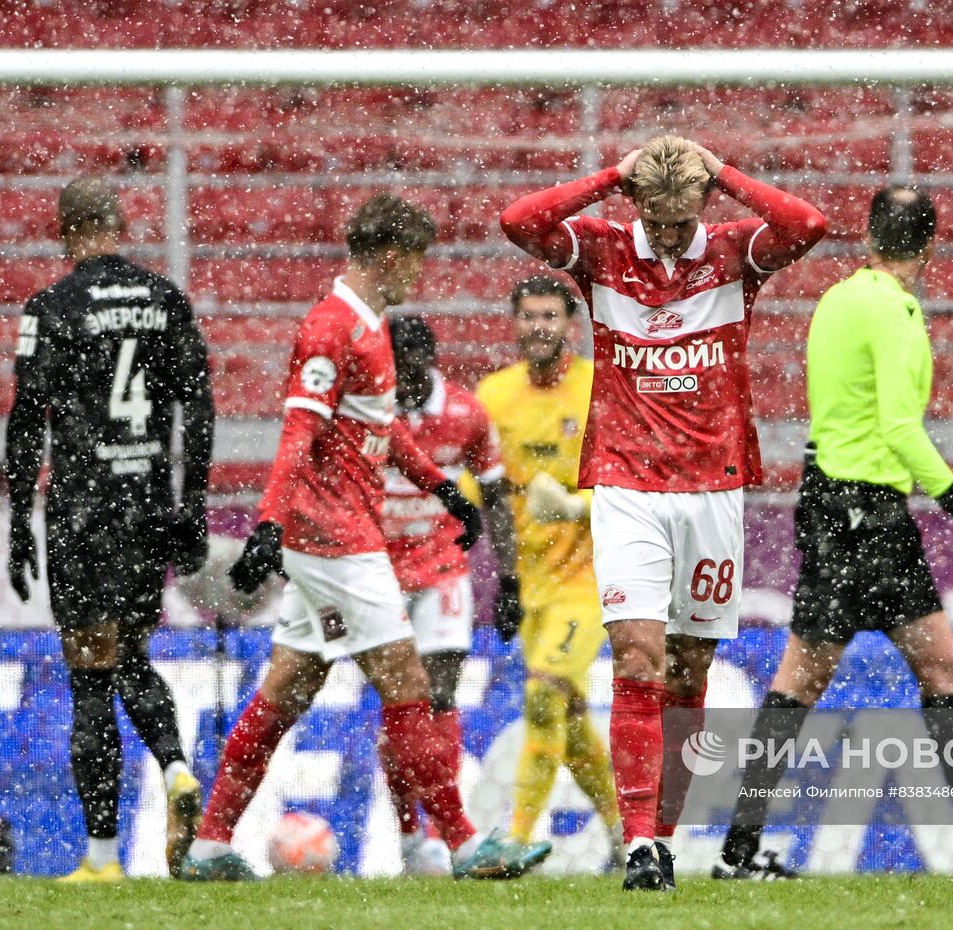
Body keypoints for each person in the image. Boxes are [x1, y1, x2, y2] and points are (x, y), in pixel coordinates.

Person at [177, 194, 550, 881]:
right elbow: (300, 432)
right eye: (415, 261)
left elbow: (381, 425)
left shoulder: (369, 324)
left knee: (287, 687)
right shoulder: (330, 328)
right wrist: (268, 520)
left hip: (335, 536)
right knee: (409, 683)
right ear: (390, 255)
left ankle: (208, 844)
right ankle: (466, 844)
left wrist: (440, 487)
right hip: (337, 540)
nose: (418, 275)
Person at [714, 186, 953, 880]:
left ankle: (742, 851)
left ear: (870, 238)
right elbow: (897, 428)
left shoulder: (838, 299)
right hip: (864, 513)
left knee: (851, 675)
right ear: (932, 246)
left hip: (833, 503)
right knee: (905, 673)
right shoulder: (896, 310)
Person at [502, 134, 827, 890]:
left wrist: (727, 174)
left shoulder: (734, 251)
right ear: (637, 204)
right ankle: (641, 844)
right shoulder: (604, 248)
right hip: (627, 486)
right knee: (640, 658)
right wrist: (613, 176)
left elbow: (808, 225)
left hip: (714, 488)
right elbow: (519, 221)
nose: (672, 234)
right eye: (659, 218)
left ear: (703, 206)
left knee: (690, 670)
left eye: (684, 220)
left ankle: (667, 837)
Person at [5, 176, 214, 882]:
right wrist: (191, 505)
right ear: (120, 225)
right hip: (147, 506)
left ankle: (100, 860)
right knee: (131, 657)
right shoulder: (165, 299)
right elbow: (201, 407)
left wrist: (16, 523)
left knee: (91, 681)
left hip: (83, 512)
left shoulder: (52, 307)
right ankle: (179, 766)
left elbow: (25, 418)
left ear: (65, 231)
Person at [475, 276, 623, 867]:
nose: (539, 327)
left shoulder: (599, 391)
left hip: (588, 582)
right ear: (515, 324)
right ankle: (622, 834)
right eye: (529, 316)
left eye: (550, 317)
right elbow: (481, 494)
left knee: (543, 699)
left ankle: (517, 838)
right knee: (571, 722)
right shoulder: (494, 398)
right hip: (531, 586)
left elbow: (632, 488)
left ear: (570, 326)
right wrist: (504, 580)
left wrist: (574, 506)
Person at [377, 314, 522, 874]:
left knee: (439, 697)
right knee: (401, 707)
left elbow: (496, 498)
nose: (405, 380)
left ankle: (446, 833)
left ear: (430, 360)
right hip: (378, 574)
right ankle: (411, 836)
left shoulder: (464, 413)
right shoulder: (369, 409)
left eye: (414, 367)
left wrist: (509, 581)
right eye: (396, 369)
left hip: (441, 570)